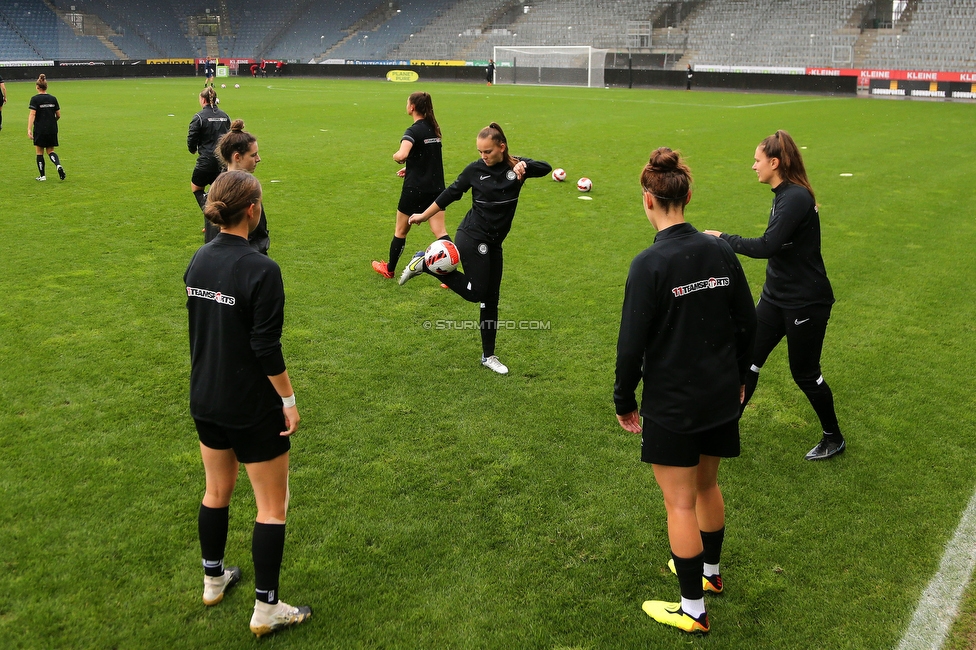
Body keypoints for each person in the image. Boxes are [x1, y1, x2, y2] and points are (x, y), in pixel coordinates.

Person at [615, 147, 756, 635]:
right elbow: (749, 322)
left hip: (674, 402)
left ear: (647, 201)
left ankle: (693, 608)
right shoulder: (720, 250)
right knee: (706, 486)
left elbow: (630, 345)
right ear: (687, 195)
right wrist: (739, 378)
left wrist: (623, 399)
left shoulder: (648, 264)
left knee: (679, 503)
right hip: (719, 396)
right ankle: (711, 576)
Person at [185, 170, 312, 638]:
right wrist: (289, 400)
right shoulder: (264, 269)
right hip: (250, 405)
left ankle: (213, 580)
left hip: (206, 398)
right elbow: (265, 349)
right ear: (254, 210)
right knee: (271, 506)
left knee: (216, 491)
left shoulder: (198, 260)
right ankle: (266, 609)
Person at [704, 130, 845, 461]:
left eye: (757, 160)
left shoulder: (795, 197)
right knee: (747, 361)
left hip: (806, 301)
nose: (753, 166)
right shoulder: (784, 194)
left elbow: (768, 245)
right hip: (776, 297)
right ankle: (726, 428)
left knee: (805, 373)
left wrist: (724, 238)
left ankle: (833, 437)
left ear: (774, 162)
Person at [400, 122, 551, 375]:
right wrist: (423, 216)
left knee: (491, 299)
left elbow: (546, 168)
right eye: (480, 151)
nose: (483, 156)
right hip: (472, 236)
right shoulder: (475, 170)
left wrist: (526, 165)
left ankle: (488, 356)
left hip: (495, 242)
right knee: (476, 292)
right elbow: (450, 194)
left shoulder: (515, 168)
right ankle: (426, 264)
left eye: (488, 151)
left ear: (501, 147)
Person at [372, 92, 449, 280]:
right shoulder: (434, 129)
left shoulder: (412, 131)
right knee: (440, 232)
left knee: (400, 231)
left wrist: (396, 157)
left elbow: (402, 154)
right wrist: (411, 167)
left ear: (412, 107)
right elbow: (428, 158)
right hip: (436, 188)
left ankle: (389, 269)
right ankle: (450, 271)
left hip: (415, 189)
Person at [215, 120, 270, 254]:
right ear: (237, 157)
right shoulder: (246, 191)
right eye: (253, 155)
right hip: (246, 262)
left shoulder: (217, 186)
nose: (258, 159)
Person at [187, 86, 231, 243]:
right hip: (223, 161)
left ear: (203, 100)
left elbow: (192, 137)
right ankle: (219, 222)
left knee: (197, 188)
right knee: (218, 190)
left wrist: (192, 149)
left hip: (206, 160)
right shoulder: (225, 116)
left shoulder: (199, 117)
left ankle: (213, 220)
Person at [27, 74, 65, 181]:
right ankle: (58, 165)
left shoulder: (35, 99)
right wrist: (52, 122)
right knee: (50, 151)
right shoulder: (53, 99)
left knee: (39, 152)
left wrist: (29, 128)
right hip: (52, 128)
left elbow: (32, 114)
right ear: (46, 87)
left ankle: (42, 176)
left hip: (40, 128)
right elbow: (58, 115)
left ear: (37, 87)